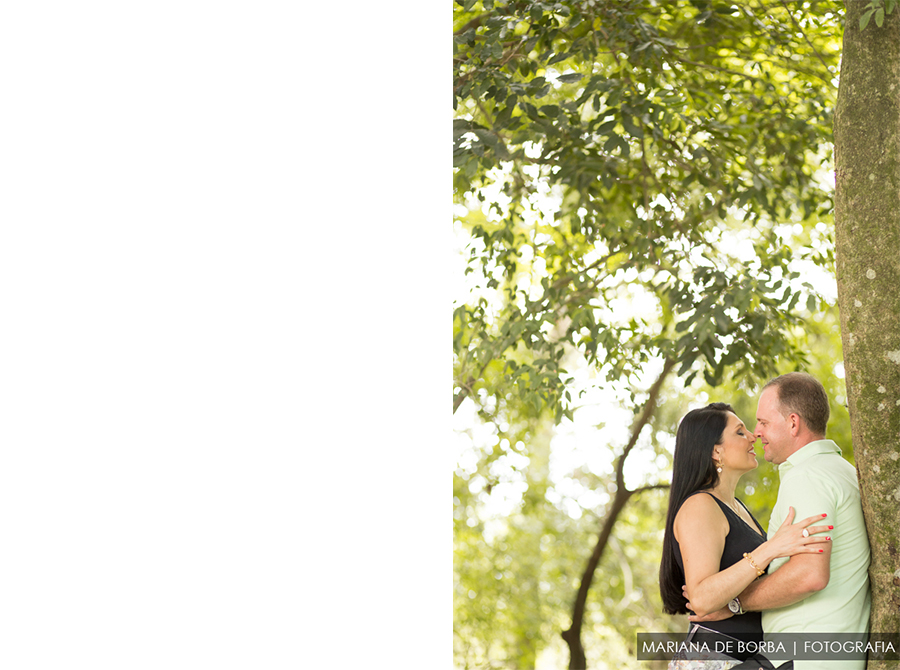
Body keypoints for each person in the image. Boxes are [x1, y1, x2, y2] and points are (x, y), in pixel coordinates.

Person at [687, 373, 872, 670]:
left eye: (763, 422)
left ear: (794, 423)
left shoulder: (807, 476)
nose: (756, 433)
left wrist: (735, 603)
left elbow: (809, 575)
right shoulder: (843, 471)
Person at [659, 402, 831, 669]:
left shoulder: (736, 507)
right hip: (714, 659)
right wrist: (770, 549)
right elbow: (702, 598)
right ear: (716, 451)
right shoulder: (700, 506)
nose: (753, 436)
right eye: (740, 432)